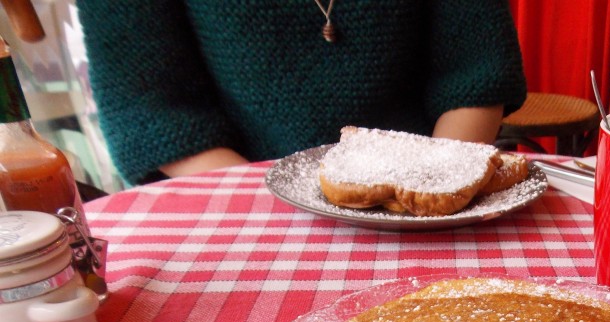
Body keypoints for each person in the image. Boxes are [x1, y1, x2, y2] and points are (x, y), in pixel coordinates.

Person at [78, 1, 527, 185]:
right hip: (240, 191)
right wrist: (300, 202)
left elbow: (475, 72)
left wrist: (429, 187)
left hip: (428, 176)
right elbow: (153, 113)